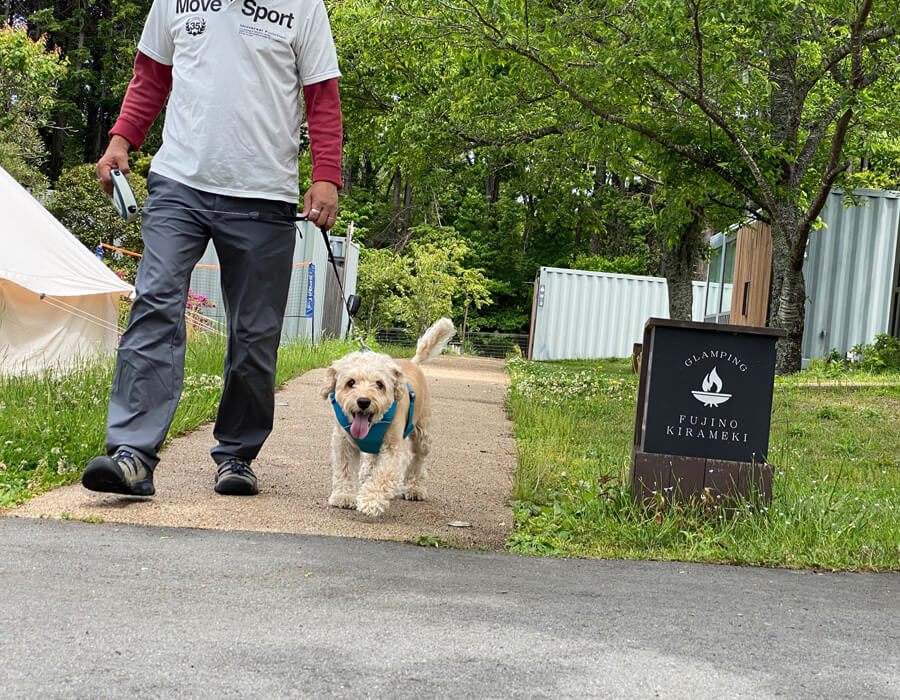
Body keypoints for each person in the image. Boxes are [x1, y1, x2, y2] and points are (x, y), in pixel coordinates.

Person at [82, 0, 343, 497]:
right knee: (156, 304)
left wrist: (326, 174)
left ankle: (237, 455)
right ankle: (131, 454)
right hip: (179, 182)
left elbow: (322, 97)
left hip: (265, 193)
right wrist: (121, 138)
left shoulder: (304, 6)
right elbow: (151, 74)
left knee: (254, 334)